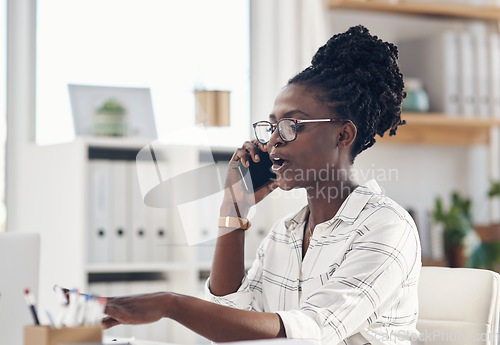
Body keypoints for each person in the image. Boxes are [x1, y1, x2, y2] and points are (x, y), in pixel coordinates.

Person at [103, 25, 422, 345]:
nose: (271, 142)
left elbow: (311, 332)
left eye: (289, 126)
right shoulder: (285, 234)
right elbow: (228, 323)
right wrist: (234, 207)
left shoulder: (385, 227)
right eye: (270, 127)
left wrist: (172, 305)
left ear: (342, 135)